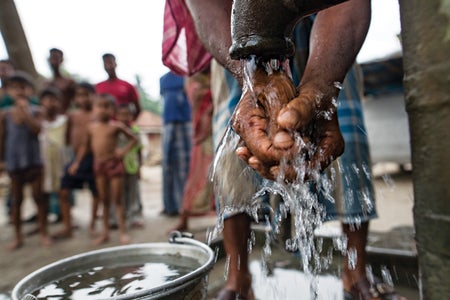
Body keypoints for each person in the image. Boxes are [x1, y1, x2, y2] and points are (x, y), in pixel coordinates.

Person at [164, 1, 406, 299]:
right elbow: (206, 4)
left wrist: (322, 85)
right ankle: (238, 279)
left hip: (329, 32)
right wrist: (252, 79)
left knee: (346, 141)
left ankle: (355, 273)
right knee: (234, 153)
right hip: (234, 38)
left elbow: (348, 3)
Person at [71, 93, 138, 245]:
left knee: (118, 200)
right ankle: (105, 232)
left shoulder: (116, 126)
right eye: (99, 106)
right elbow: (84, 147)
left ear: (113, 110)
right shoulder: (91, 128)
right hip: (99, 166)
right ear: (94, 109)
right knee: (104, 201)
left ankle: (122, 232)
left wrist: (123, 151)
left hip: (114, 165)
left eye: (107, 107)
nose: (103, 110)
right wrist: (76, 163)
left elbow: (134, 139)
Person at [0, 71, 51, 250]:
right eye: (15, 88)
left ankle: (44, 232)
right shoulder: (4, 115)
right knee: (16, 199)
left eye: (23, 87)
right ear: (8, 91)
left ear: (30, 90)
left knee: (39, 197)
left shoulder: (38, 111)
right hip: (14, 162)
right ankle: (18, 237)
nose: (20, 91)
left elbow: (37, 130)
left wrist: (25, 111)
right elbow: (2, 138)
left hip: (34, 161)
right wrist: (2, 160)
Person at [171, 67, 215, 231]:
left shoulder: (216, 71)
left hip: (220, 126)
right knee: (197, 175)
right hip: (204, 134)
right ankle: (184, 219)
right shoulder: (192, 78)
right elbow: (195, 98)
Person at [54, 82, 98, 239]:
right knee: (63, 190)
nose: (83, 98)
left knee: (96, 193)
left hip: (93, 159)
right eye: (79, 95)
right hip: (75, 159)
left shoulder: (97, 115)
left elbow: (88, 143)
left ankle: (92, 225)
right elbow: (66, 137)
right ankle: (67, 226)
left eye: (86, 94)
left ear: (94, 96)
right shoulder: (72, 116)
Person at [159, 71, 192, 216]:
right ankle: (169, 206)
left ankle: (184, 207)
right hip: (167, 124)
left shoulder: (187, 76)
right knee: (167, 166)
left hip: (185, 123)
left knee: (184, 168)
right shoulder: (163, 79)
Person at [38, 87, 68, 224]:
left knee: (63, 194)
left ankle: (67, 224)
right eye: (47, 99)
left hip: (61, 164)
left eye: (55, 100)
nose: (51, 103)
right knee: (42, 196)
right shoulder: (38, 123)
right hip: (44, 165)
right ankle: (43, 226)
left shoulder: (65, 121)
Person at [116, 104, 145, 228]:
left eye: (127, 114)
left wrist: (139, 166)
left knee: (134, 191)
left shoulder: (135, 130)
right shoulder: (115, 129)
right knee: (119, 192)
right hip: (117, 167)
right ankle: (119, 217)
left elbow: (139, 149)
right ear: (117, 116)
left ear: (132, 116)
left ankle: (135, 216)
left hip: (132, 166)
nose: (124, 117)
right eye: (121, 115)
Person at [95, 53, 141, 119]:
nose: (108, 66)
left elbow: (138, 108)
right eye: (105, 63)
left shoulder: (128, 86)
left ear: (115, 64)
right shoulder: (97, 87)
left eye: (110, 62)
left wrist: (128, 123)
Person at [45, 48, 76, 113]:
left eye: (56, 58)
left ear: (61, 60)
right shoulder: (46, 83)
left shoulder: (69, 82)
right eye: (52, 58)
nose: (53, 61)